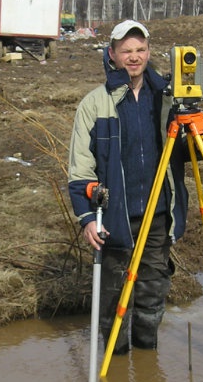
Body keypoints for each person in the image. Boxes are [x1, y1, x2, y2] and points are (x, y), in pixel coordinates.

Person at [68, 19, 189, 354]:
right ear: (112, 54)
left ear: (149, 52)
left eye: (140, 50)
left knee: (152, 290)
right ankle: (116, 360)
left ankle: (148, 357)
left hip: (158, 215)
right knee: (113, 295)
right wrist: (86, 217)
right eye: (126, 51)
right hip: (114, 217)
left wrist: (197, 143)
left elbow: (182, 155)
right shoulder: (95, 104)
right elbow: (80, 166)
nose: (134, 57)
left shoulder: (166, 99)